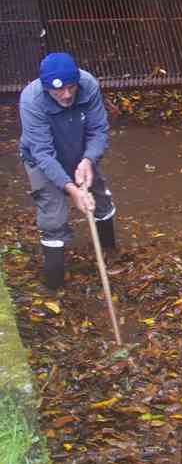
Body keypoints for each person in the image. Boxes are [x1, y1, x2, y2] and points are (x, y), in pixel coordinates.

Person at [18, 52, 117, 290]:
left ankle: (110, 254)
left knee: (100, 200)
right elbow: (42, 153)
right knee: (53, 216)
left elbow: (98, 130)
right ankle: (54, 285)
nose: (67, 95)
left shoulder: (89, 84)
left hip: (80, 152)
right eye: (58, 91)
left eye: (71, 88)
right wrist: (72, 189)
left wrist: (88, 159)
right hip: (42, 160)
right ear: (45, 88)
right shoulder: (31, 101)